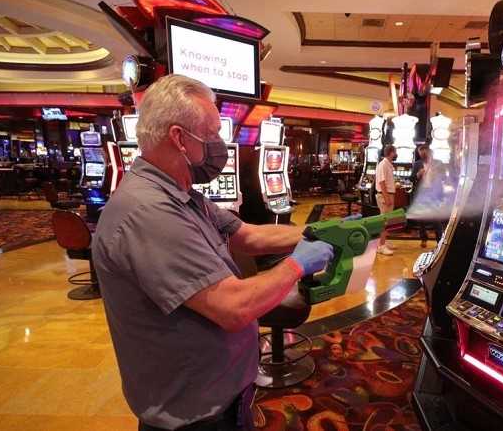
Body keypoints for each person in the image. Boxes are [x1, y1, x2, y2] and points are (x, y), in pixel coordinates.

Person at [92, 75, 335, 431]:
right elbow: (232, 307)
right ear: (178, 137)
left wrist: (317, 232)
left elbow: (248, 236)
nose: (220, 145)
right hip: (194, 413)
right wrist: (297, 264)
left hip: (218, 392)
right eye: (212, 133)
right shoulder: (149, 212)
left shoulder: (181, 194)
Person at [411, 145, 443, 247]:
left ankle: (439, 241)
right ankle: (423, 238)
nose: (422, 155)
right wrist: (417, 175)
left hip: (433, 195)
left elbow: (445, 177)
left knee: (436, 219)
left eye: (423, 153)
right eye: (420, 153)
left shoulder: (438, 163)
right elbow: (411, 178)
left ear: (428, 152)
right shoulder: (417, 164)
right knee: (421, 219)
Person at [375, 144, 397, 255]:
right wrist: (387, 197)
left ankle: (384, 242)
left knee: (387, 222)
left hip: (388, 194)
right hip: (385, 195)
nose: (396, 154)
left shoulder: (387, 164)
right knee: (384, 222)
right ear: (391, 152)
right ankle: (381, 246)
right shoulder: (383, 164)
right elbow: (381, 182)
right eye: (395, 151)